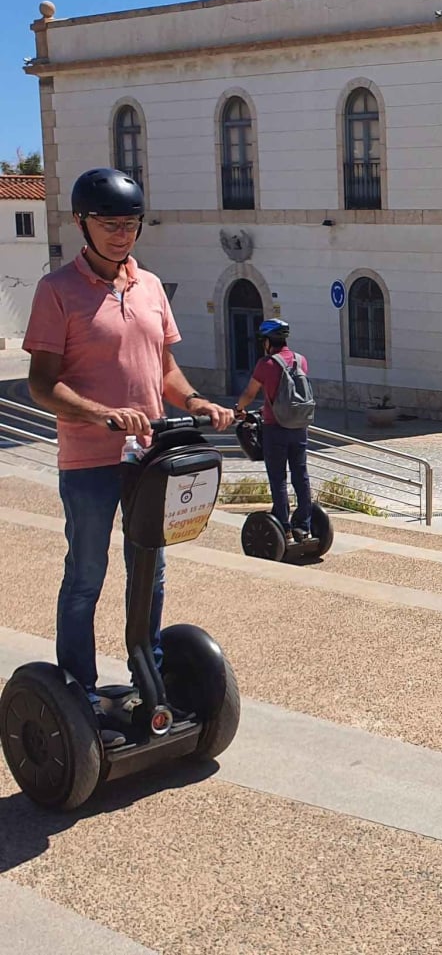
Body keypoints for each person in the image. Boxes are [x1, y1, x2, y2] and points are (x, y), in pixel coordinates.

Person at [23, 168, 235, 734]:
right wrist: (101, 413)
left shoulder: (150, 286)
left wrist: (195, 402)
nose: (122, 234)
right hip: (89, 460)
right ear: (81, 224)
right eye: (110, 223)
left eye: (132, 223)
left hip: (149, 460)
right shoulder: (56, 291)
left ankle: (151, 682)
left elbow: (165, 369)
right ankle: (80, 693)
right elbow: (41, 384)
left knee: (152, 573)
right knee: (87, 574)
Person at [233, 318, 314, 542]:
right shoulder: (301, 360)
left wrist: (239, 409)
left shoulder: (265, 364)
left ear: (268, 341)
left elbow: (250, 392)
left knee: (278, 478)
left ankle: (284, 527)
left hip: (275, 429)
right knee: (301, 475)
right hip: (299, 427)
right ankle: (304, 526)